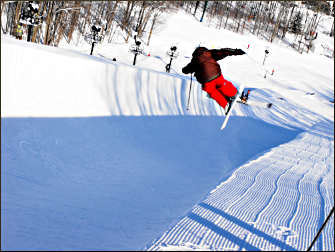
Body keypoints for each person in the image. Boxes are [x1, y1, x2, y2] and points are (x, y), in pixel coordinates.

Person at [182, 47, 245, 113]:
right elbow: (222, 52)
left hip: (205, 81)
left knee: (212, 92)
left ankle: (225, 104)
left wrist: (187, 69)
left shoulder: (194, 61)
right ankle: (234, 94)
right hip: (216, 74)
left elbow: (185, 70)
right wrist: (235, 51)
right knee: (222, 84)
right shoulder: (209, 53)